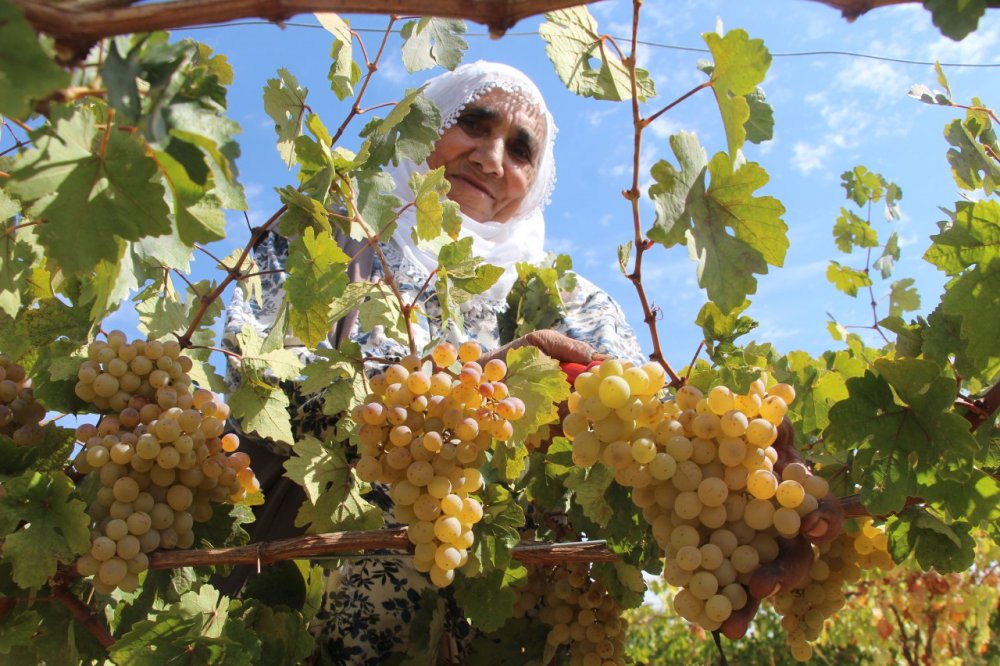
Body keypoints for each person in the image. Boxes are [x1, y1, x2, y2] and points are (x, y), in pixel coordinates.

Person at [222, 60, 841, 662]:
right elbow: (258, 376)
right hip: (298, 613)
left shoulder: (571, 299)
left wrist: (741, 476)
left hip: (510, 634)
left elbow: (651, 424)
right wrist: (476, 389)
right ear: (425, 126)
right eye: (473, 123)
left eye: (520, 151)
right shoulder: (328, 236)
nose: (491, 158)